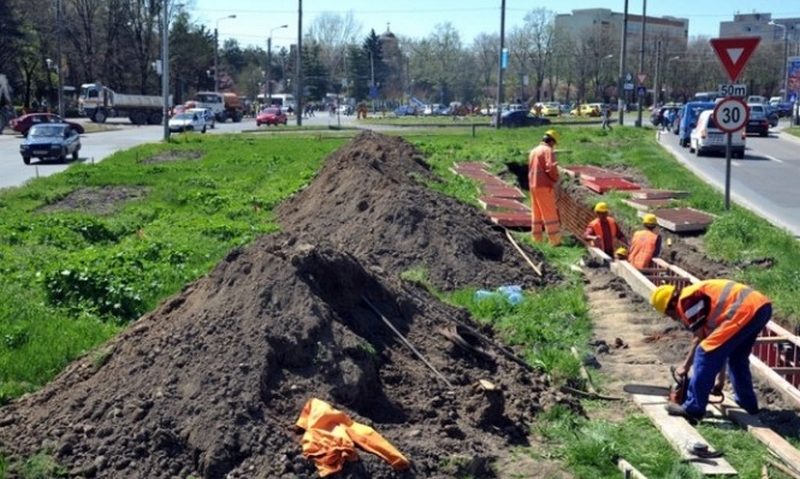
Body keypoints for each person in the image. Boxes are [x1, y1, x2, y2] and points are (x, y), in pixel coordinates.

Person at [650, 281, 772, 421]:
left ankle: (693, 408)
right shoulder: (696, 297)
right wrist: (719, 381)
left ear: (671, 305)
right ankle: (747, 405)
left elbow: (699, 340)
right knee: (737, 358)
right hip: (760, 308)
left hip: (744, 311)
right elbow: (720, 348)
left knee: (704, 352)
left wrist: (685, 366)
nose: (673, 317)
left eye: (669, 314)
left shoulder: (687, 300)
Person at [528, 129, 562, 246]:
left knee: (536, 213)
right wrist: (555, 178)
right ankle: (555, 241)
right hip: (544, 186)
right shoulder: (548, 151)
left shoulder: (533, 151)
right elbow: (551, 167)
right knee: (549, 213)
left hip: (533, 185)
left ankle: (536, 239)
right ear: (552, 141)